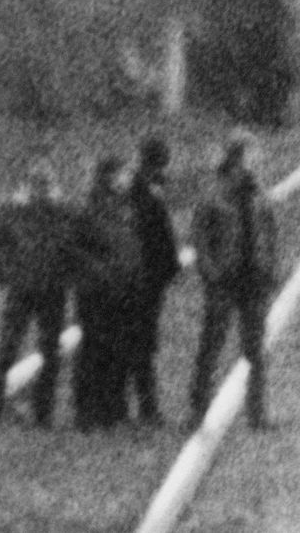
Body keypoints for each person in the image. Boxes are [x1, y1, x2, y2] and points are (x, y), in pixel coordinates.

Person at [189, 132, 278, 430]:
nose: (259, 158)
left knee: (256, 350)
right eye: (253, 153)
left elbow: (270, 233)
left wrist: (270, 269)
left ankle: (258, 413)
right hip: (225, 282)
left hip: (254, 281)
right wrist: (212, 274)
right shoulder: (213, 193)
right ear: (238, 157)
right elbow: (200, 239)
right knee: (211, 347)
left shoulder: (259, 192)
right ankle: (197, 411)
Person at [0, 161, 76, 428]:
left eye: (45, 185)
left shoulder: (62, 211)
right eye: (36, 185)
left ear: (51, 187)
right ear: (26, 186)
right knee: (7, 349)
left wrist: (66, 274)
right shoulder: (12, 211)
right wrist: (9, 274)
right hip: (21, 292)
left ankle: (43, 415)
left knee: (50, 352)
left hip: (53, 290)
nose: (40, 191)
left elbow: (75, 245)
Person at [73, 157, 143, 431]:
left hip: (124, 289)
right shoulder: (90, 209)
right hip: (96, 292)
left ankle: (114, 410)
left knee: (120, 350)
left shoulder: (126, 207)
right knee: (93, 350)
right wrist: (101, 271)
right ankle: (87, 413)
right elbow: (76, 250)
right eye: (124, 173)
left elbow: (131, 247)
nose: (128, 178)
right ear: (111, 177)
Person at [127, 137, 180, 424]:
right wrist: (169, 269)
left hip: (143, 275)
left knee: (141, 342)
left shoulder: (144, 189)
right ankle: (146, 408)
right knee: (142, 343)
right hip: (145, 277)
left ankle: (140, 406)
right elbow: (160, 237)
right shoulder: (147, 194)